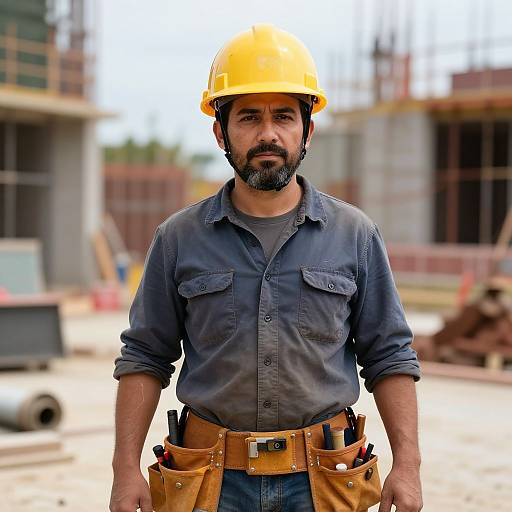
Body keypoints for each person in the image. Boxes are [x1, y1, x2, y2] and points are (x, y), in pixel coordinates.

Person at [109, 24, 423, 512]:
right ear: (221, 132)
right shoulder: (178, 239)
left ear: (307, 129)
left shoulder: (354, 235)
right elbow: (145, 356)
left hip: (327, 482)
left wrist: (409, 466)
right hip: (210, 484)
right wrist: (124, 470)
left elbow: (390, 355)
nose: (268, 133)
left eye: (283, 116)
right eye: (249, 117)